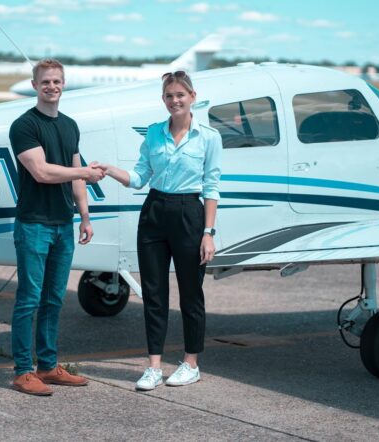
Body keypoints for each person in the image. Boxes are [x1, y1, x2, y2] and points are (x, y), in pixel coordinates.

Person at [99, 71, 222, 390]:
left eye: (180, 94)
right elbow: (140, 177)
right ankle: (153, 367)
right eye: (169, 95)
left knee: (191, 293)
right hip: (154, 211)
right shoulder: (154, 133)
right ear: (163, 99)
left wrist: (208, 232)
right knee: (154, 293)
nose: (174, 100)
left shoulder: (209, 137)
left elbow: (211, 187)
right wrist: (110, 170)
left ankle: (191, 363)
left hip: (189, 214)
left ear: (192, 97)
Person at [8, 58, 105, 396]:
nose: (51, 86)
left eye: (56, 81)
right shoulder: (24, 125)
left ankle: (47, 366)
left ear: (63, 84)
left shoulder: (70, 125)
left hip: (64, 224)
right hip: (34, 224)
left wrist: (85, 217)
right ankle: (23, 371)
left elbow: (75, 175)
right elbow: (42, 172)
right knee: (29, 299)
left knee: (53, 299)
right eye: (45, 81)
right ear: (35, 85)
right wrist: (84, 173)